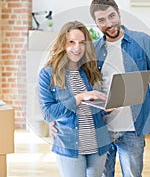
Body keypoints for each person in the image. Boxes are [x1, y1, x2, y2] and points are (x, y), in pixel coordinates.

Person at [89, 0, 150, 177]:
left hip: (133, 128)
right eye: (102, 20)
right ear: (96, 23)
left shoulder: (142, 40)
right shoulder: (93, 49)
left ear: (119, 13)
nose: (109, 23)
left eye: (111, 16)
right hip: (102, 127)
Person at [38, 21, 112, 177]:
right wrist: (79, 97)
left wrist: (107, 106)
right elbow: (48, 114)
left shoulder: (90, 70)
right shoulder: (48, 74)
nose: (77, 47)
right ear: (62, 44)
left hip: (97, 142)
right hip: (69, 144)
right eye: (71, 42)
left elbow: (93, 107)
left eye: (82, 43)